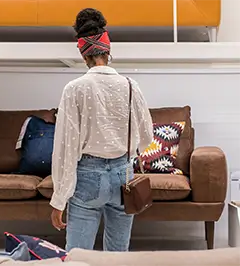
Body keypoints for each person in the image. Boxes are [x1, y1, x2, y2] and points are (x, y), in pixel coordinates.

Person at [50, 8, 153, 252]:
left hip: (87, 176)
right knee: (117, 257)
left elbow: (66, 147)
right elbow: (147, 134)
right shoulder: (130, 85)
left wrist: (59, 198)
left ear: (84, 55)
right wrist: (130, 152)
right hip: (123, 177)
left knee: (78, 255)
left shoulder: (75, 89)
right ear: (108, 51)